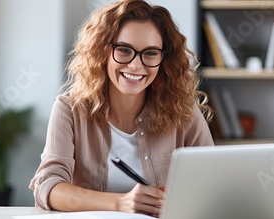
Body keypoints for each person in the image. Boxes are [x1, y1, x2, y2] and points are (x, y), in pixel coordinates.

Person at [29, 0, 214, 216]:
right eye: (124, 50)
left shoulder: (183, 110)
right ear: (102, 51)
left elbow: (211, 183)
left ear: (163, 59)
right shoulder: (69, 109)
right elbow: (48, 188)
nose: (136, 65)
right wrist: (120, 203)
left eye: (151, 53)